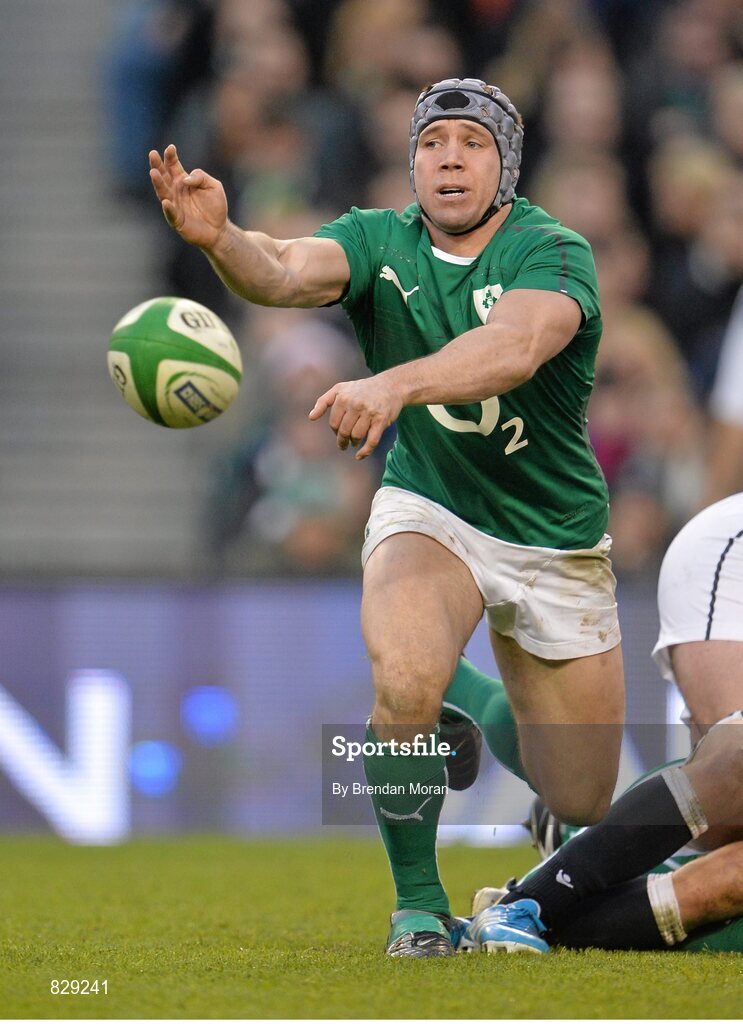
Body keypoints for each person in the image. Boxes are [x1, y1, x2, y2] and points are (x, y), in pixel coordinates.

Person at [149, 77, 625, 958]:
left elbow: (512, 348)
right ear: (411, 163)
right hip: (429, 504)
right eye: (433, 142)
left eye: (472, 143)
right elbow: (284, 269)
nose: (449, 156)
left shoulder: (552, 251)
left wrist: (391, 382)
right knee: (401, 686)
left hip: (550, 533)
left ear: (505, 165)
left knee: (586, 799)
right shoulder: (377, 239)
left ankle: (463, 696)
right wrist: (221, 239)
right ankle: (416, 909)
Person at [462, 494, 743, 953]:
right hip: (732, 560)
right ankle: (537, 900)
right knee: (734, 770)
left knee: (731, 878)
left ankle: (524, 907)